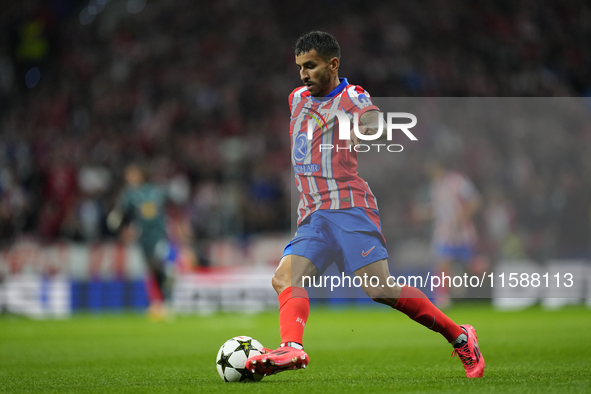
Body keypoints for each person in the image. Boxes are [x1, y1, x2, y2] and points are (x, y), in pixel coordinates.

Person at [245, 31, 485, 378]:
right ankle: (292, 348)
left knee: (380, 289)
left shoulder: (352, 95)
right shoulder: (296, 98)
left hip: (348, 208)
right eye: (299, 67)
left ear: (333, 64)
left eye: (310, 66)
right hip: (312, 215)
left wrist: (367, 129)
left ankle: (461, 336)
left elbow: (371, 118)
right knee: (284, 278)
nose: (303, 74)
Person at [415, 157, 483, 308]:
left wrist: (461, 218)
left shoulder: (457, 180)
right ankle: (443, 299)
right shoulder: (435, 186)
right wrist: (424, 213)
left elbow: (475, 201)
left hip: (463, 232)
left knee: (474, 266)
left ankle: (487, 285)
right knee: (441, 263)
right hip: (444, 233)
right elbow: (439, 209)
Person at [107, 163, 172, 320]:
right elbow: (121, 215)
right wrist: (123, 229)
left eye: (133, 174)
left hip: (159, 234)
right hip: (142, 237)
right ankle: (158, 303)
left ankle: (166, 299)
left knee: (156, 263)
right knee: (149, 269)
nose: (130, 177)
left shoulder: (156, 191)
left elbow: (171, 208)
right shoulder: (128, 194)